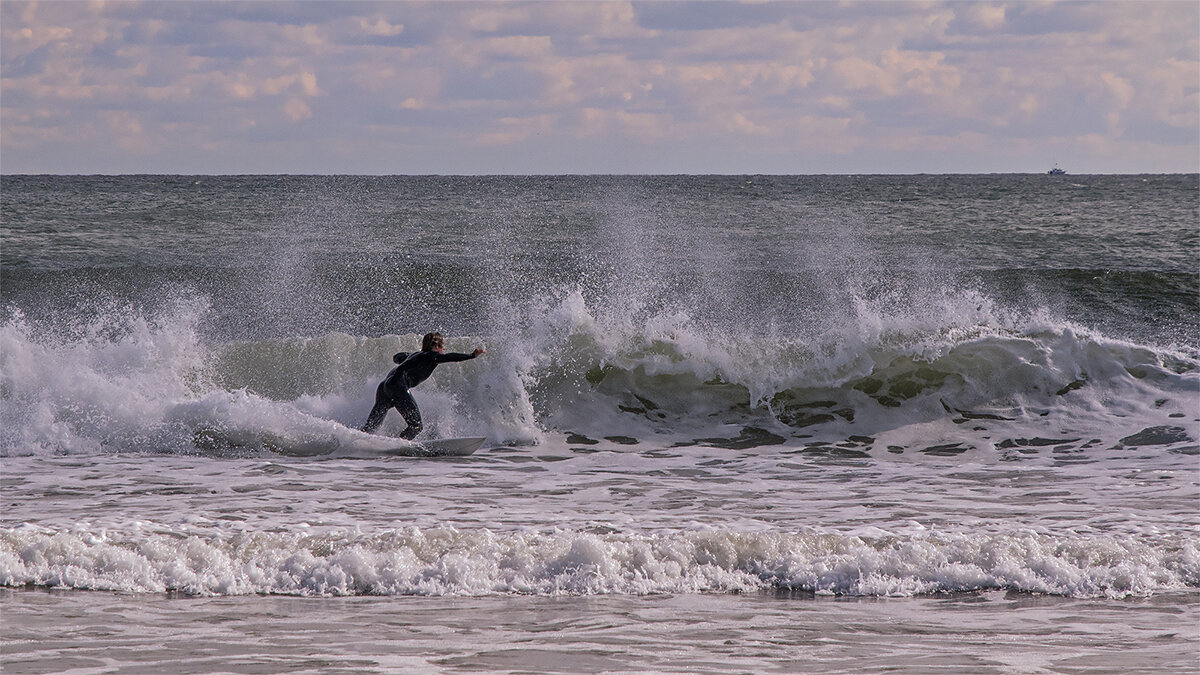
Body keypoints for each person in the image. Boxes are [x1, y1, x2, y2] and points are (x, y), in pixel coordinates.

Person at [361, 332, 485, 439]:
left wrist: (403, 359)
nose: (444, 349)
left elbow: (397, 357)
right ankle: (398, 445)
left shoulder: (414, 355)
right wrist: (471, 356)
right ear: (436, 346)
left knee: (371, 427)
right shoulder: (431, 356)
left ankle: (357, 441)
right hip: (398, 387)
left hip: (384, 387)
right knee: (416, 426)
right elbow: (449, 357)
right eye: (443, 346)